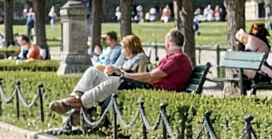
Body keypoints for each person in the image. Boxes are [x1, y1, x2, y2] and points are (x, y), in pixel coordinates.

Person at [50, 30, 194, 115]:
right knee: (93, 72)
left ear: (168, 43)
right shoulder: (173, 58)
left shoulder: (178, 59)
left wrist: (125, 75)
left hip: (154, 89)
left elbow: (151, 76)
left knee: (116, 81)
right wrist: (121, 71)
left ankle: (76, 104)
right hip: (150, 86)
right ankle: (73, 98)